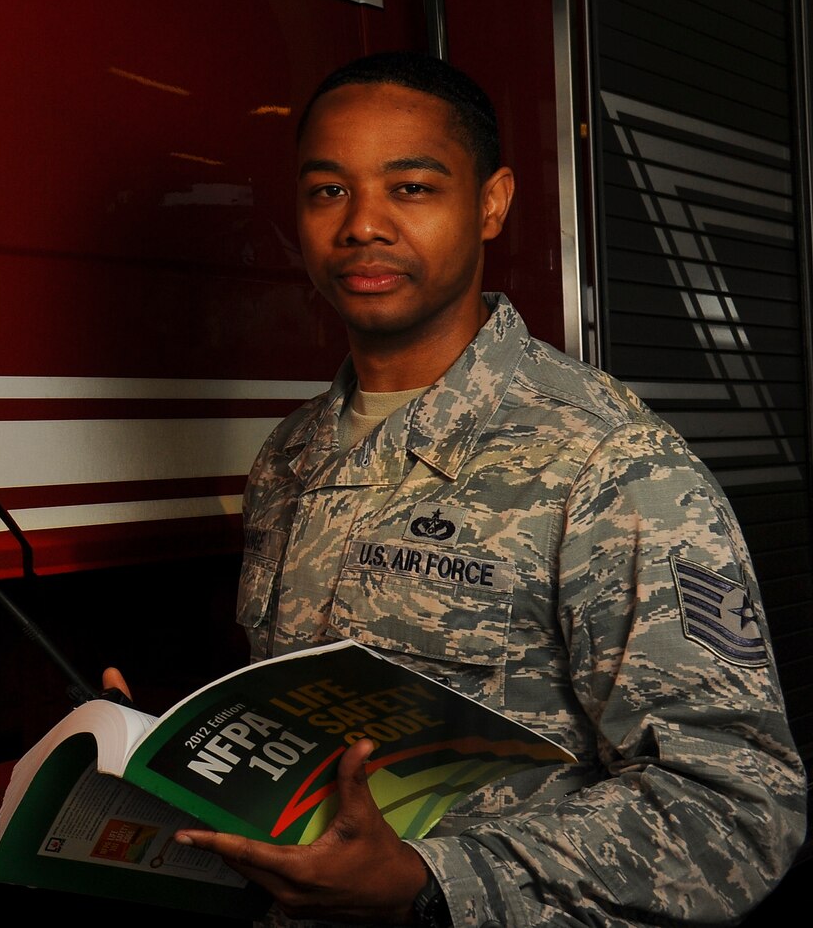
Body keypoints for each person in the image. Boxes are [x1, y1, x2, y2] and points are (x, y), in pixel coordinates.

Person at [110, 53, 805, 925]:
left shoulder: (607, 463)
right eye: (329, 191)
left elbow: (736, 814)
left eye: (410, 188)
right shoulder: (289, 458)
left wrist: (432, 878)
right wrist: (167, 749)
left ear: (491, 202)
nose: (363, 224)